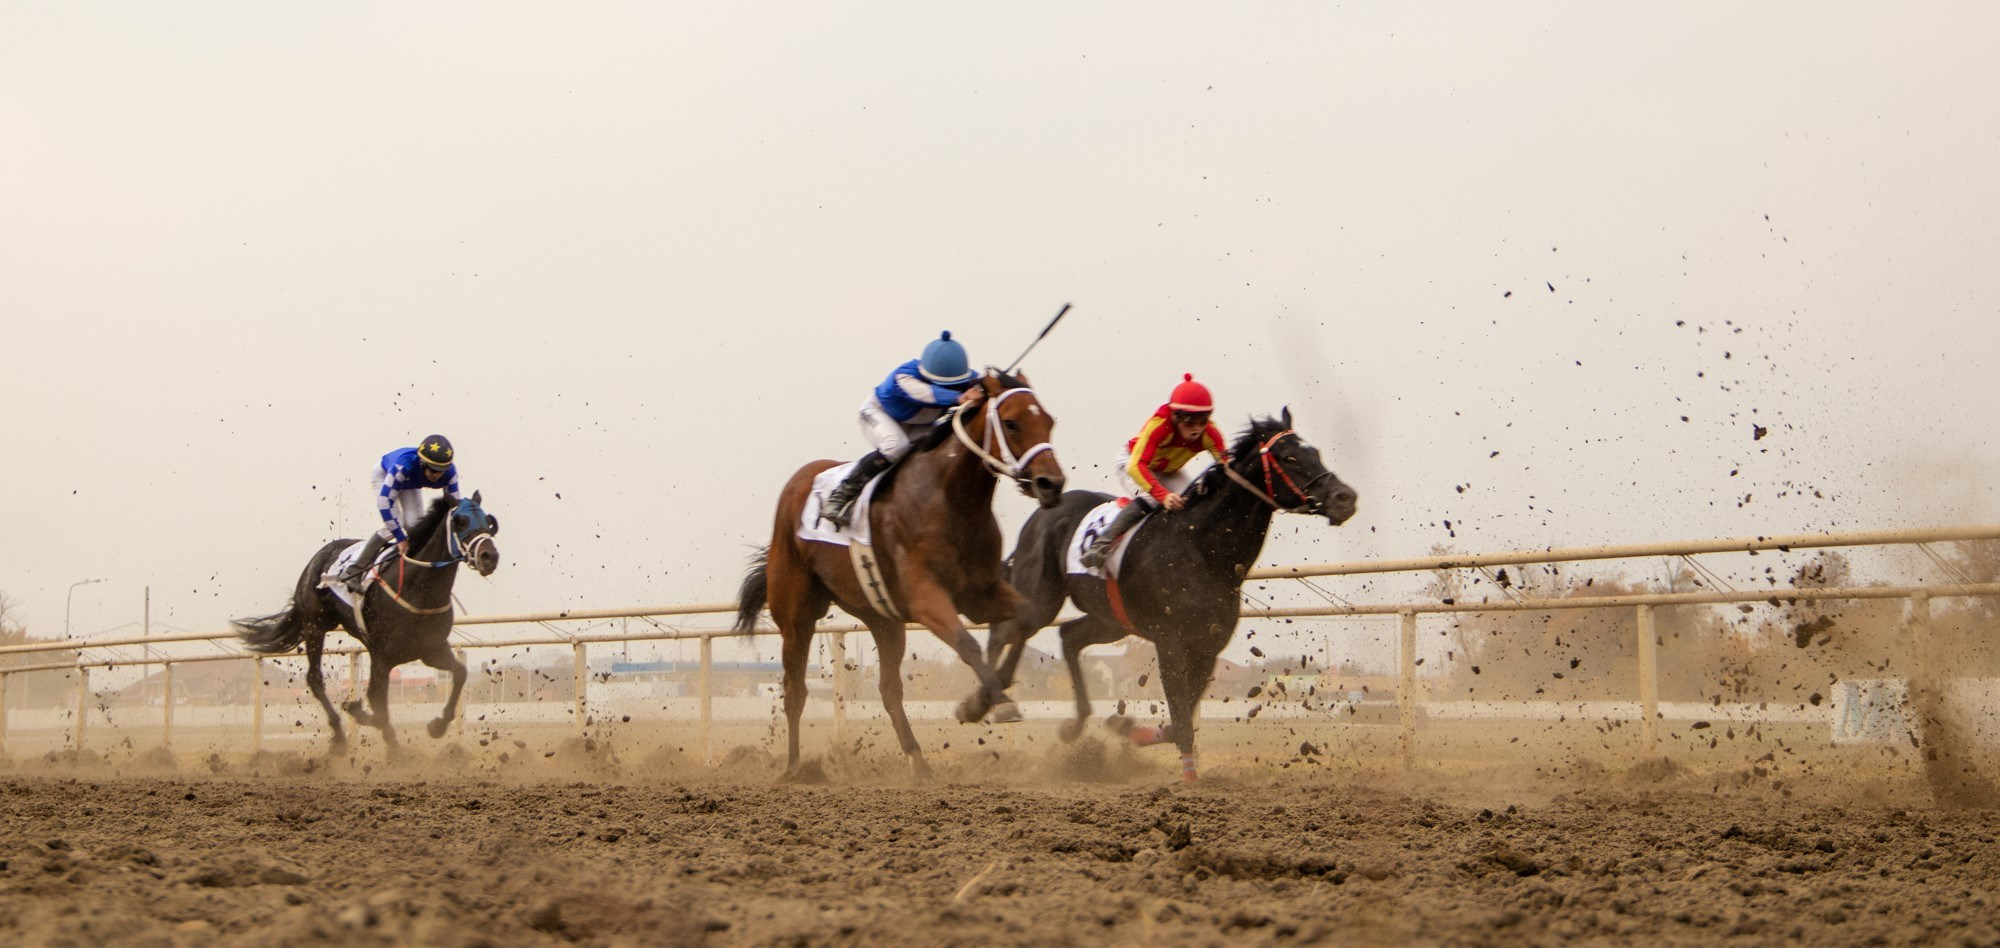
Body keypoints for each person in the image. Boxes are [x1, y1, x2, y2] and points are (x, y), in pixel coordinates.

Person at [820, 331, 984, 528]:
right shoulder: (904, 377)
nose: (956, 388)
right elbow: (929, 394)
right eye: (946, 385)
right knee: (896, 445)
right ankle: (840, 496)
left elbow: (982, 383)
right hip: (879, 414)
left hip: (918, 425)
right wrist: (960, 398)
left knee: (941, 450)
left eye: (957, 385)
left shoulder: (965, 377)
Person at [1080, 374, 1230, 569]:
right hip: (1132, 463)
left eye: (1202, 422)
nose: (1197, 429)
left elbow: (1227, 466)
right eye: (1190, 422)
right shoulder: (1160, 426)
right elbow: (1136, 467)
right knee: (1151, 499)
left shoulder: (1210, 433)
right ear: (1176, 417)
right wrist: (1163, 495)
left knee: (1190, 502)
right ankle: (1100, 546)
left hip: (1168, 471)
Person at [341, 435, 462, 586]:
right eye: (433, 471)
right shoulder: (403, 467)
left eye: (441, 471)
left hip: (410, 484)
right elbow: (384, 503)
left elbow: (455, 507)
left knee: (415, 526)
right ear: (422, 464)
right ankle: (354, 571)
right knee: (393, 527)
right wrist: (400, 538)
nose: (437, 476)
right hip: (385, 476)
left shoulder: (450, 473)